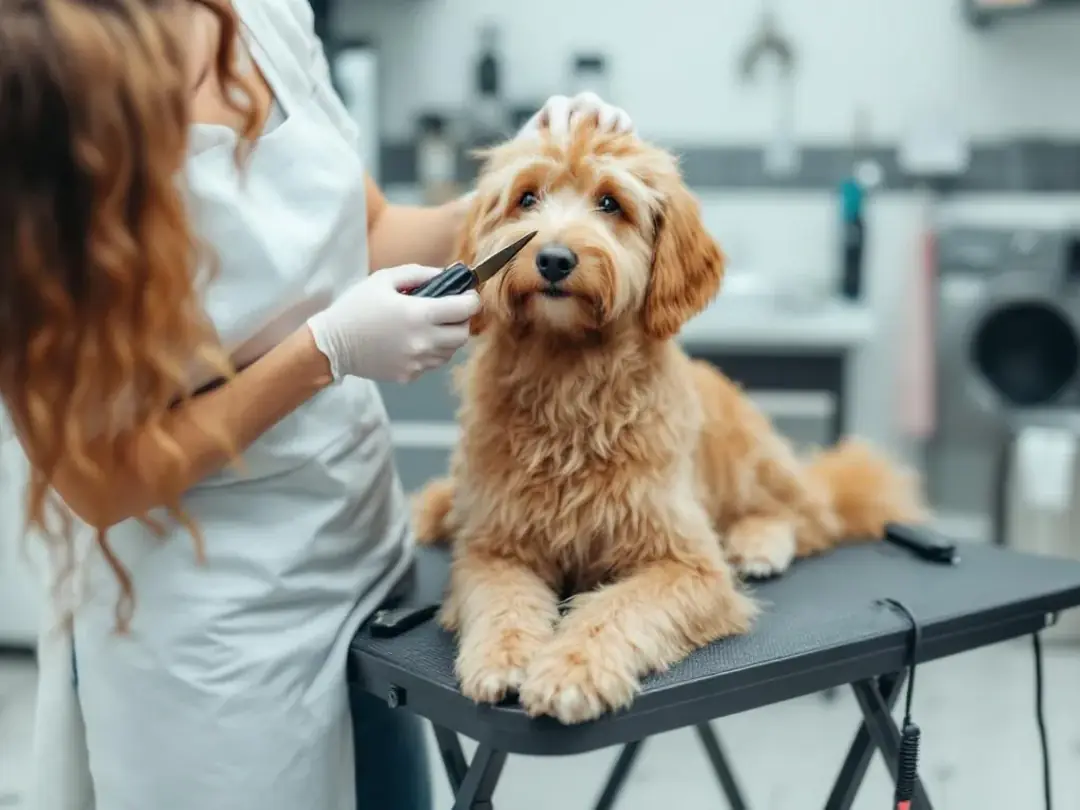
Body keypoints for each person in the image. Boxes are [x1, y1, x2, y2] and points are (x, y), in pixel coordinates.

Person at [0, 1, 634, 809]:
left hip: (366, 559)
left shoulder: (261, 15)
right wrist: (322, 352)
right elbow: (95, 482)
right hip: (211, 620)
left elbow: (363, 231)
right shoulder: (41, 80)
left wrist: (521, 192)